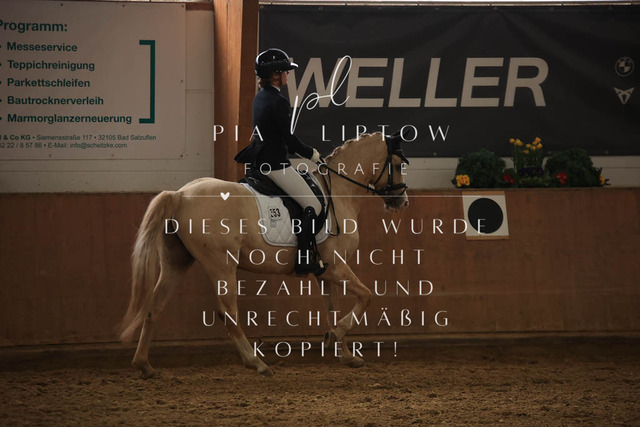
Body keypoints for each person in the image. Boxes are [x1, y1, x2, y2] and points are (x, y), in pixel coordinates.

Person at [235, 48, 327, 276]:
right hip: (274, 165)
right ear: (276, 75)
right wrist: (313, 155)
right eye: (285, 71)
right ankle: (303, 261)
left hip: (257, 162)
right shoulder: (278, 101)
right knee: (314, 206)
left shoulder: (259, 97)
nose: (287, 75)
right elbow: (290, 141)